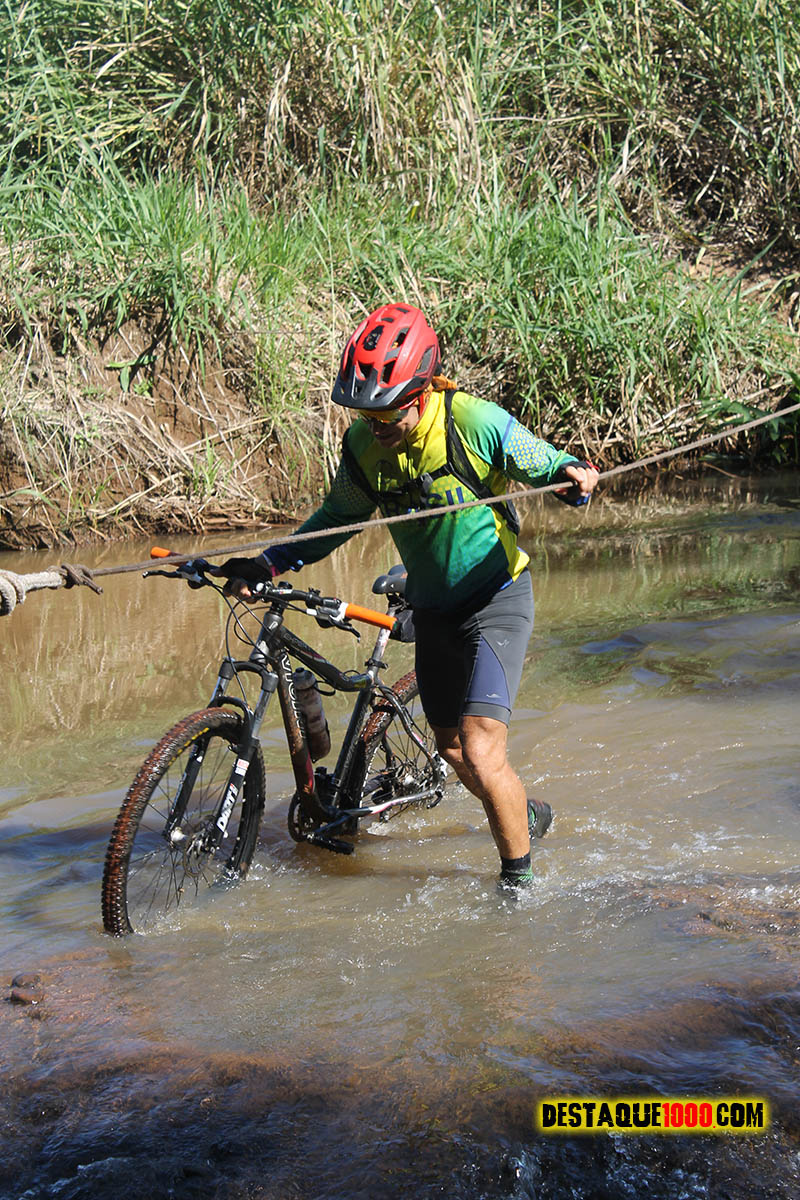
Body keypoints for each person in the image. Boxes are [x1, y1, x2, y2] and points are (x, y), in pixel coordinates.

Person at [219, 303, 599, 890]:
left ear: (421, 393)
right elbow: (336, 520)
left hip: (496, 599)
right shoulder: (363, 447)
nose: (375, 425)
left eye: (387, 413)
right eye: (365, 414)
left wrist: (571, 474)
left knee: (482, 750)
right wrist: (269, 561)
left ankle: (518, 892)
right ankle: (523, 815)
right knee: (451, 750)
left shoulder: (471, 421)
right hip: (433, 608)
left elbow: (540, 461)